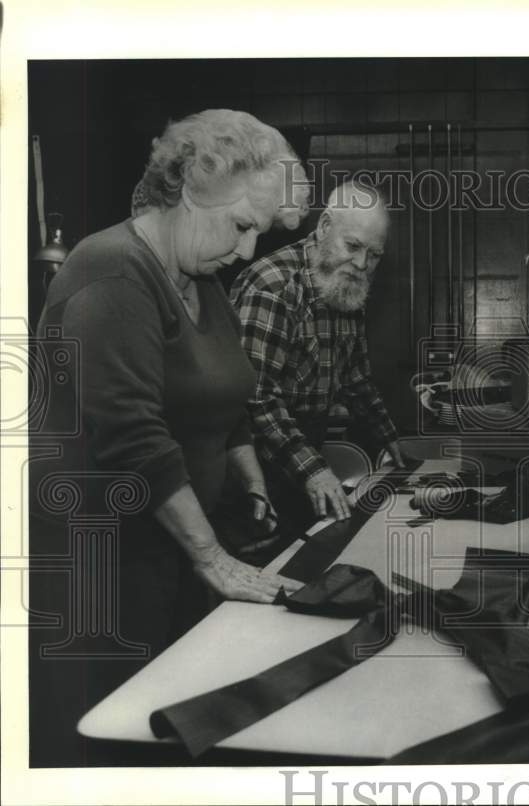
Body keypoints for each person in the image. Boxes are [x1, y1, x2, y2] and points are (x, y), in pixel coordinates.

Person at [29, 109, 308, 763]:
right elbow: (135, 440)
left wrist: (254, 493)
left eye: (259, 234)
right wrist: (213, 558)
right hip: (106, 567)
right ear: (191, 188)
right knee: (121, 740)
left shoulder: (201, 278)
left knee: (184, 726)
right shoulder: (113, 273)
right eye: (242, 226)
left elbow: (231, 404)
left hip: (175, 548)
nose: (246, 252)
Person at [229, 181, 403, 533]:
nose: (361, 264)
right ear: (325, 226)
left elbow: (356, 378)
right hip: (251, 456)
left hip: (303, 441)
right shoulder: (273, 287)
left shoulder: (348, 281)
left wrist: (390, 439)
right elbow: (256, 396)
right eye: (353, 246)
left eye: (374, 255)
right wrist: (314, 470)